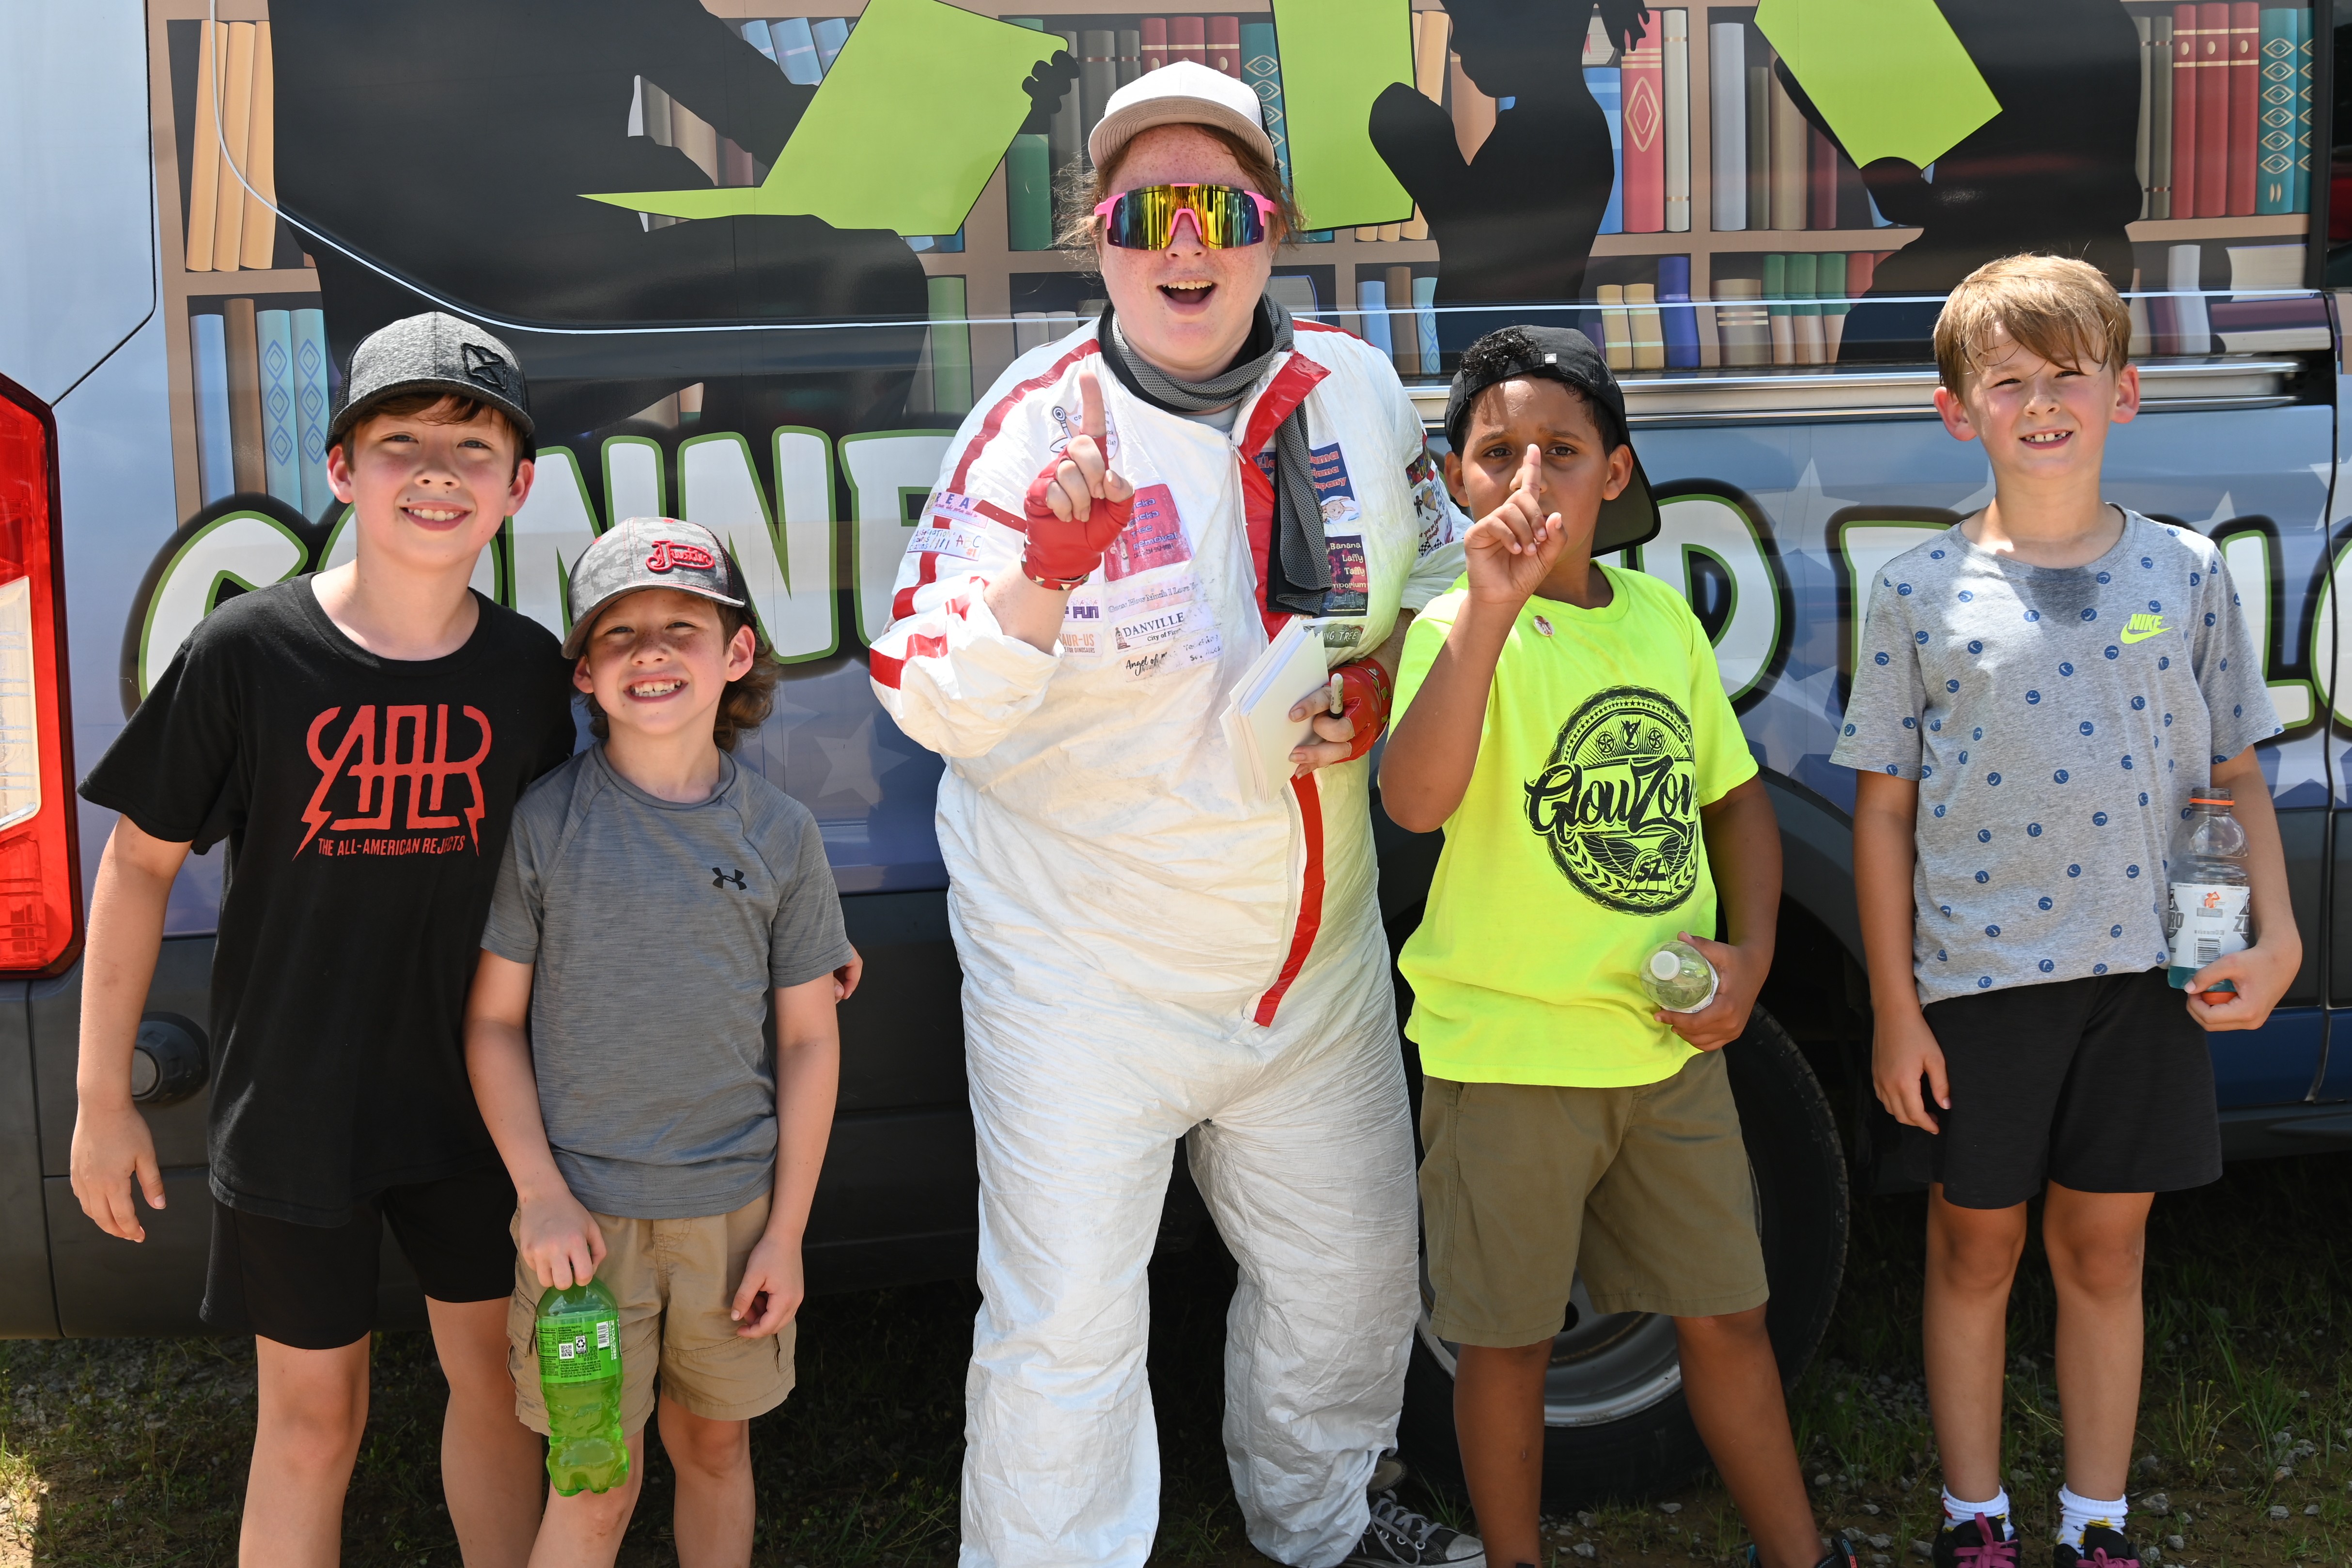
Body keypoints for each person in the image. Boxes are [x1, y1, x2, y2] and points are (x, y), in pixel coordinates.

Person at [868, 59, 1481, 1568]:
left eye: (1224, 207)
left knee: (1350, 1284)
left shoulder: (1356, 384)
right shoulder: (1031, 425)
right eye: (1152, 211)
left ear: (1274, 227)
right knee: (1067, 1320)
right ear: (1100, 234)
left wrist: (1397, 665)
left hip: (1310, 965)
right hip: (1084, 968)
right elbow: (924, 689)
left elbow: (1457, 565)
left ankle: (1327, 1518)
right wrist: (1045, 570)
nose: (1187, 244)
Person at [69, 313, 576, 1567]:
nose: (437, 472)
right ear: (343, 469)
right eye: (401, 444)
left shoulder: (524, 672)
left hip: (477, 1106)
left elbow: (562, 893)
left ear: (517, 487)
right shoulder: (252, 651)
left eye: (473, 446)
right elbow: (137, 866)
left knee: (503, 1392)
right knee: (310, 1420)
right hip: (294, 1104)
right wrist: (98, 1094)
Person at [1833, 254, 2297, 1568]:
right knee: (1973, 1248)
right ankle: (1974, 1517)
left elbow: (2231, 773)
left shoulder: (2189, 569)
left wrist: (2273, 935)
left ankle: (2097, 1523)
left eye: (2067, 375)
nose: (2041, 403)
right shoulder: (1917, 590)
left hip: (2145, 979)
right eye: (2008, 381)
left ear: (2125, 392)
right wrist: (1894, 1010)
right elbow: (1882, 813)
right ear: (1957, 411)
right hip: (1978, 983)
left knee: (2105, 1247)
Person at [1381, 326, 1845, 1568]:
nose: (1530, 477)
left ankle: (1800, 1553)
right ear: (1455, 478)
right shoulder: (1449, 631)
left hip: (1664, 1052)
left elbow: (1733, 796)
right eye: (1497, 452)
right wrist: (1485, 610)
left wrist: (1749, 955)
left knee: (1730, 1317)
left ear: (1616, 473)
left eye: (1562, 450)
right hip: (1508, 1061)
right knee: (1507, 1342)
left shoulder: (1657, 623)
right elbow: (1416, 801)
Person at [465, 518, 858, 1567]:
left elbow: (810, 1042)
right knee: (597, 1479)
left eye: (681, 627)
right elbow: (494, 1021)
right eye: (620, 631)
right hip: (580, 1227)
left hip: (732, 1219)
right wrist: (539, 1190)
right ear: (584, 671)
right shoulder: (545, 825)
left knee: (715, 1445)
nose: (650, 651)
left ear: (735, 655)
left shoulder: (780, 834)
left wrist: (785, 1231)